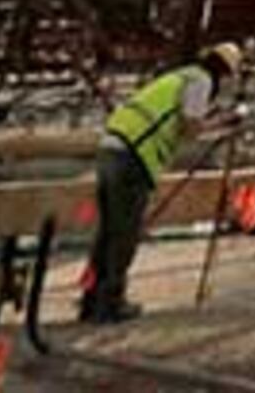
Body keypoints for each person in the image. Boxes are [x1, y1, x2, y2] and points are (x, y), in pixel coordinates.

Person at [85, 43, 243, 323]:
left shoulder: (179, 76)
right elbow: (190, 127)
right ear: (224, 73)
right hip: (133, 157)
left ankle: (90, 300)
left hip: (111, 148)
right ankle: (110, 303)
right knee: (124, 234)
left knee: (108, 232)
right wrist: (223, 123)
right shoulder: (201, 80)